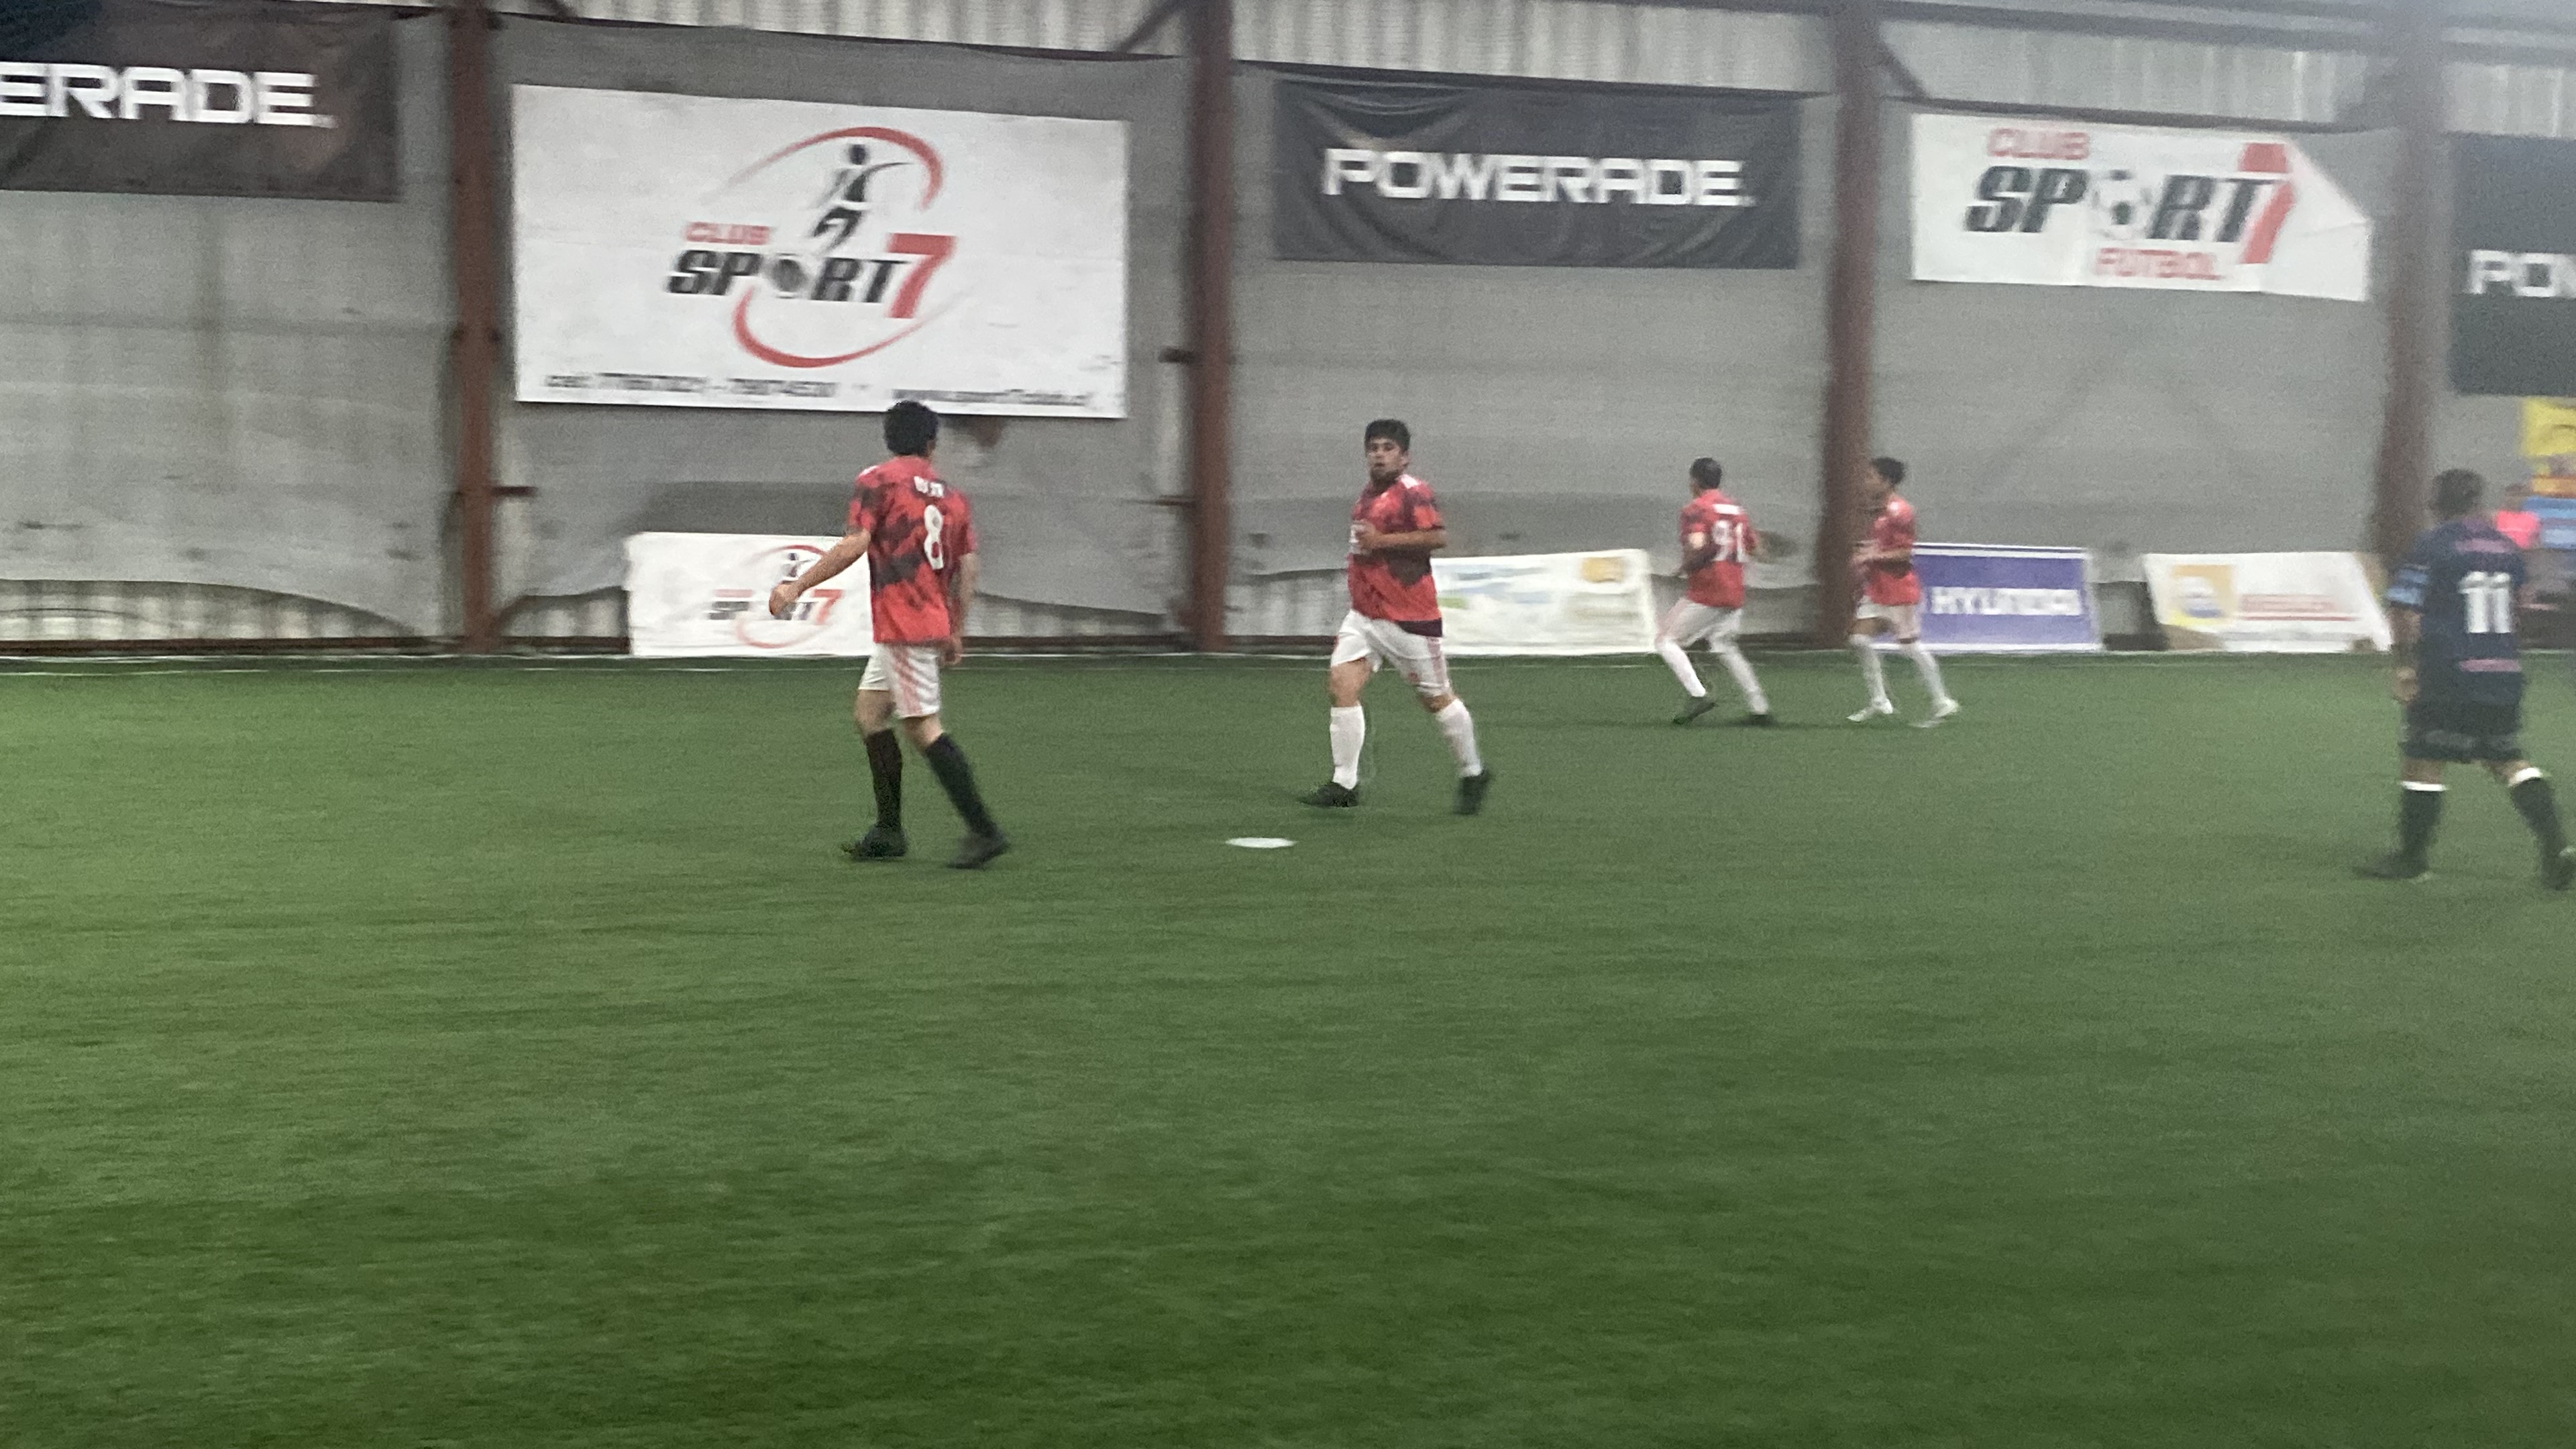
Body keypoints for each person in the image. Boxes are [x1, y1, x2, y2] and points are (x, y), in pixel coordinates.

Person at [769, 401, 1010, 870]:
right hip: (924, 622)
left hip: (904, 624)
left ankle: (984, 830)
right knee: (869, 714)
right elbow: (968, 566)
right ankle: (889, 831)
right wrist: (956, 628)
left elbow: (855, 544)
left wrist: (797, 585)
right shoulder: (953, 497)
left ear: (889, 439)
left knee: (923, 728)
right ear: (932, 443)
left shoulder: (877, 481)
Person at [2361, 468, 2573, 887]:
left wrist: (2405, 664)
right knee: (2508, 760)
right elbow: (2520, 606)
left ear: (2435, 505)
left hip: (2449, 670)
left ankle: (2412, 859)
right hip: (2502, 672)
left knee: (2423, 759)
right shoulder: (2506, 547)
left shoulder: (2434, 544)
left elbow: (2403, 605)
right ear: (2478, 503)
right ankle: (2557, 847)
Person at [1304, 419, 1494, 814]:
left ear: (1404, 457)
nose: (1379, 455)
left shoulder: (1413, 491)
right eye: (1373, 448)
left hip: (1409, 617)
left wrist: (1382, 542)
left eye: (1388, 448)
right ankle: (1344, 783)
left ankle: (1473, 771)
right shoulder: (1367, 496)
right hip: (1365, 616)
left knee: (1436, 699)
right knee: (1341, 685)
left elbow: (1437, 536)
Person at [1658, 458, 1773, 727]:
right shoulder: (1736, 510)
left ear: (1694, 480)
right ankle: (1759, 708)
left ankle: (1698, 694)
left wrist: (1684, 567)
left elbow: (1699, 544)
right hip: (1735, 590)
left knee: (1665, 640)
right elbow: (1756, 549)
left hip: (1709, 590)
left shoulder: (1696, 509)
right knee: (1725, 646)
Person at [1847, 456, 1960, 728]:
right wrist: (1868, 552)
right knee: (1859, 640)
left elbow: (1905, 553)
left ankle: (1942, 701)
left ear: (1886, 481)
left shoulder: (1900, 512)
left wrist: (1871, 557)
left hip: (1898, 589)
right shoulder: (1883, 512)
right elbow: (1886, 547)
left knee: (1909, 646)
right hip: (1878, 588)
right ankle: (1879, 701)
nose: (1866, 482)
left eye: (1871, 477)